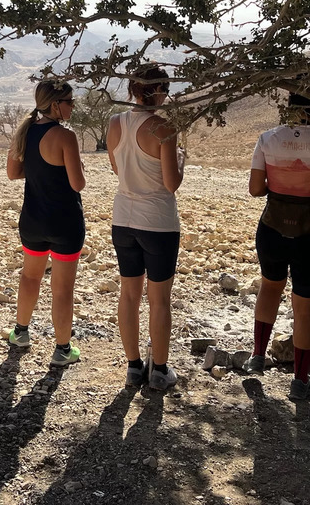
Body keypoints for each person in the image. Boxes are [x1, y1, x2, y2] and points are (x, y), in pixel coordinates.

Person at [245, 92, 310, 401]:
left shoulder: (267, 139)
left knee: (270, 288)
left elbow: (254, 189)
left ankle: (257, 357)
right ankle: (300, 381)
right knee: (305, 308)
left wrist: (278, 189)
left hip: (272, 229)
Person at [107, 64, 184, 391]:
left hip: (123, 218)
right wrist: (180, 161)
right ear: (160, 90)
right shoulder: (163, 128)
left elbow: (117, 169)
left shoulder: (114, 123)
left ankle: (133, 366)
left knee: (128, 294)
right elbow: (171, 184)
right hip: (158, 222)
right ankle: (160, 371)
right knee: (160, 299)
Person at [6, 80, 86, 367]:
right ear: (55, 105)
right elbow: (78, 184)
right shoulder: (66, 137)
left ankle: (20, 333)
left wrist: (40, 170)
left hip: (33, 219)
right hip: (65, 223)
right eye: (69, 101)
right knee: (62, 289)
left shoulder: (25, 131)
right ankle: (63, 349)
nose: (73, 106)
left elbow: (13, 173)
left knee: (30, 277)